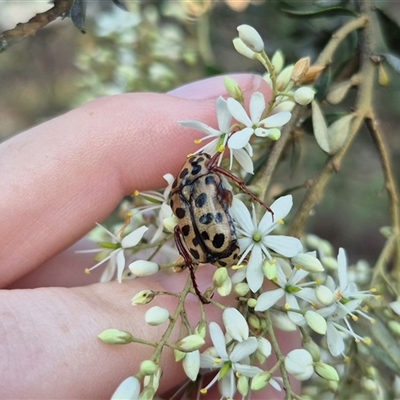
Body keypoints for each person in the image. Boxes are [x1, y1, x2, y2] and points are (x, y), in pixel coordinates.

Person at [0, 74, 299, 399]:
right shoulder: (204, 180)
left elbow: (186, 228)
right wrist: (252, 199)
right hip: (221, 243)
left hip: (211, 247)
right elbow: (225, 194)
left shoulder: (178, 193)